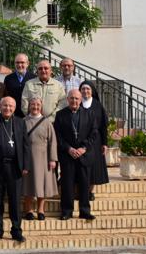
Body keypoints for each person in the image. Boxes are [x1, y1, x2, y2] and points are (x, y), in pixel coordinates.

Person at [0, 97, 30, 243]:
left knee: (15, 200)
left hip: (15, 167)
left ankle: (16, 230)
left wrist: (25, 165)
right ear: (0, 106)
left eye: (10, 106)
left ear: (14, 108)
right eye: (5, 105)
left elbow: (25, 146)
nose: (7, 108)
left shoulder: (20, 122)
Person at [54, 89, 97, 221]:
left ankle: (84, 211)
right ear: (67, 99)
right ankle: (67, 211)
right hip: (68, 155)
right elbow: (58, 135)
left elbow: (94, 133)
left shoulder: (89, 114)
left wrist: (84, 148)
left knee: (84, 184)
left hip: (84, 155)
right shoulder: (60, 115)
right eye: (71, 98)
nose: (74, 101)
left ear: (80, 100)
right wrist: (68, 148)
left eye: (77, 98)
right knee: (67, 184)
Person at [21, 97, 58, 221]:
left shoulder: (47, 122)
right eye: (33, 104)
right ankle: (29, 210)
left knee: (42, 185)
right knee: (28, 185)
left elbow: (53, 141)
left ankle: (41, 210)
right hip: (28, 159)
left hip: (44, 158)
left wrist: (53, 159)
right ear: (29, 106)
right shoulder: (23, 121)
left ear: (41, 106)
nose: (35, 107)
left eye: (37, 105)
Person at [79, 80, 109, 201]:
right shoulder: (77, 103)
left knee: (93, 167)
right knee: (80, 166)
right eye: (83, 89)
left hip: (95, 141)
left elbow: (103, 126)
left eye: (88, 89)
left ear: (92, 91)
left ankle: (90, 191)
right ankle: (81, 190)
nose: (85, 91)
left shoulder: (97, 105)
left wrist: (105, 143)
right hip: (80, 141)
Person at [3, 53, 36, 117]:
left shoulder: (34, 78)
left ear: (27, 63)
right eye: (17, 63)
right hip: (13, 114)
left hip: (29, 114)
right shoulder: (8, 78)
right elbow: (5, 96)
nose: (19, 65)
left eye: (22, 62)